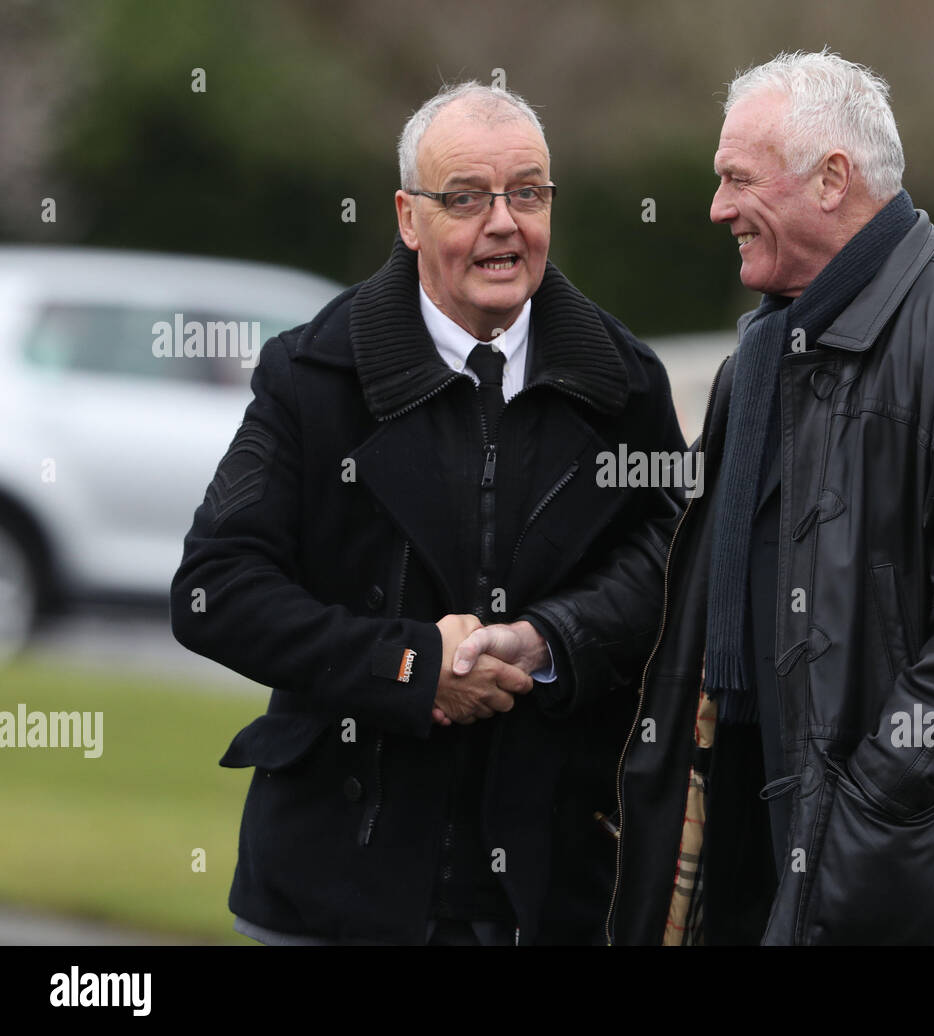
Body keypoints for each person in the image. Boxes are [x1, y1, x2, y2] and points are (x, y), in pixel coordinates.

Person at [172, 81, 686, 945]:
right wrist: (410, 666)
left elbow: (675, 560)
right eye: (466, 198)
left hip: (553, 889)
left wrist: (552, 640)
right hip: (333, 890)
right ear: (408, 218)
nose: (503, 224)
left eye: (527, 193)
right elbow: (213, 591)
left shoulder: (625, 381)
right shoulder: (312, 375)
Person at [609, 50, 934, 945]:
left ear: (832, 179)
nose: (716, 208)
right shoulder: (759, 357)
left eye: (737, 179)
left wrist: (871, 799)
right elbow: (698, 591)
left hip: (895, 859)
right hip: (750, 832)